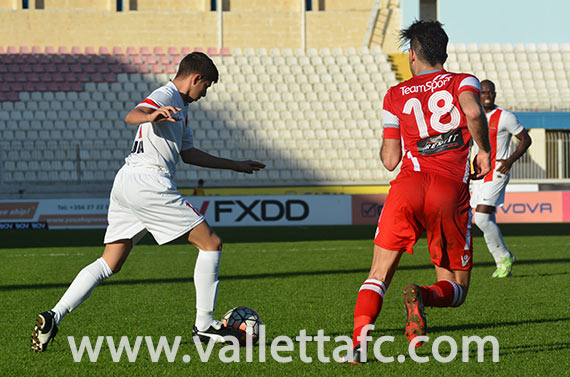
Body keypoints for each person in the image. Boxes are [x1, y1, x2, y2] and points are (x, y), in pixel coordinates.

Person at [31, 52, 265, 353]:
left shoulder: (181, 106)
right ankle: (204, 326)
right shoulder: (165, 94)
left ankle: (53, 316)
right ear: (195, 78)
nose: (205, 94)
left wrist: (234, 164)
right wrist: (150, 115)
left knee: (109, 263)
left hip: (127, 182)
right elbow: (133, 114)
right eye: (206, 86)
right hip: (149, 183)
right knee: (211, 243)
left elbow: (189, 154)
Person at [347, 20, 491, 363]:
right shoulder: (462, 81)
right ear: (443, 50)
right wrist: (483, 150)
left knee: (378, 274)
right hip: (448, 189)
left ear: (412, 55)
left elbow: (390, 159)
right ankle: (421, 296)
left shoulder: (395, 94)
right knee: (457, 289)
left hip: (408, 186)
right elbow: (472, 110)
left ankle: (356, 345)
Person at [470, 80, 532, 278]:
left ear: (495, 94)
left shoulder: (505, 117)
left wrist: (511, 160)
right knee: (485, 218)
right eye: (484, 92)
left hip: (498, 170)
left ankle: (504, 255)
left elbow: (526, 139)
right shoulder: (472, 116)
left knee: (480, 217)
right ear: (478, 94)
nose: (488, 95)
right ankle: (501, 264)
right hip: (479, 174)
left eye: (491, 92)